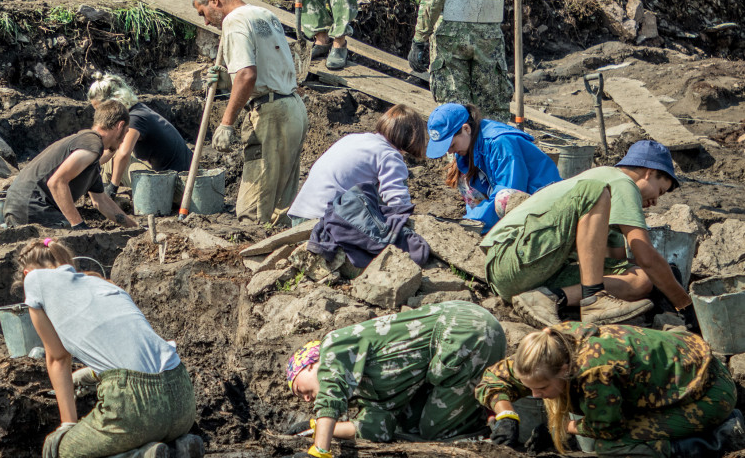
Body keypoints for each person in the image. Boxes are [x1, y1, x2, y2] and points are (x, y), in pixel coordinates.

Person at [21, 238, 205, 458]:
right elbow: (128, 343)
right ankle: (179, 451)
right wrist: (92, 374)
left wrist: (68, 425)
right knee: (147, 427)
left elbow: (58, 358)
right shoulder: (101, 283)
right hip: (181, 396)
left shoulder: (34, 280)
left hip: (134, 404)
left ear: (28, 272)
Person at [481, 140, 691, 328]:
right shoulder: (618, 181)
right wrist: (684, 303)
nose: (655, 202)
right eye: (660, 191)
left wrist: (660, 279)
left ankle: (549, 298)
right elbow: (647, 257)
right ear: (649, 171)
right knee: (595, 191)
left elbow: (617, 262)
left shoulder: (607, 208)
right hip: (509, 259)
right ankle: (594, 299)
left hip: (533, 275)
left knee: (641, 279)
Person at [477, 324, 745, 458]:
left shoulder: (595, 372)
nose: (535, 395)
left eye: (543, 388)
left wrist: (561, 428)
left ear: (565, 369)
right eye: (530, 386)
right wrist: (506, 415)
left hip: (707, 391)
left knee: (614, 449)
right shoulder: (547, 350)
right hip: (668, 380)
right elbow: (492, 379)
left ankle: (719, 437)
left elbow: (607, 427)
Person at [287, 302, 506, 458]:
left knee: (437, 433)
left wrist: (319, 451)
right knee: (421, 428)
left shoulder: (333, 346)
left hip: (462, 330)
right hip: (465, 346)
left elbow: (331, 392)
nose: (306, 398)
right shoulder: (366, 391)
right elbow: (378, 429)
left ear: (310, 364)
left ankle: (493, 425)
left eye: (299, 390)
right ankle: (500, 423)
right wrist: (317, 427)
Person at [192, 0, 306, 226]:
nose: (207, 22)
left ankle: (251, 256)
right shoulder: (263, 14)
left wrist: (226, 123)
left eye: (204, 13)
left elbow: (247, 74)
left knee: (251, 211)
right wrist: (227, 80)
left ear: (214, 0)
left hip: (271, 114)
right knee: (281, 204)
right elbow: (264, 67)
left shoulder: (233, 21)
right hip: (293, 107)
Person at [2, 101, 139, 229]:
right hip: (31, 207)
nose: (123, 140)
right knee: (75, 247)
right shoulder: (92, 144)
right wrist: (77, 225)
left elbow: (101, 201)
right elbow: (56, 182)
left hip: (20, 205)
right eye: (126, 132)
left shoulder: (89, 151)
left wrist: (136, 228)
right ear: (120, 125)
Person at [425, 102, 561, 232]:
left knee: (503, 198)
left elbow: (510, 193)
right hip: (517, 200)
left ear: (466, 129)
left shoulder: (500, 142)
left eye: (452, 145)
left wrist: (472, 223)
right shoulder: (471, 144)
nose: (449, 152)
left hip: (545, 205)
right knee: (460, 174)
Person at [288, 104, 426, 222]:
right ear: (411, 138)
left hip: (300, 212)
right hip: (324, 220)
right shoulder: (388, 155)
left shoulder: (353, 138)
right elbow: (398, 203)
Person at [86, 73, 191, 205]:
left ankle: (104, 195)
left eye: (100, 109)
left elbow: (123, 154)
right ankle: (96, 189)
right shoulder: (138, 110)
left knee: (116, 160)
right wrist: (86, 165)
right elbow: (111, 151)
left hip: (175, 188)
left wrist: (113, 188)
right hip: (179, 179)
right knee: (109, 157)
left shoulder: (135, 119)